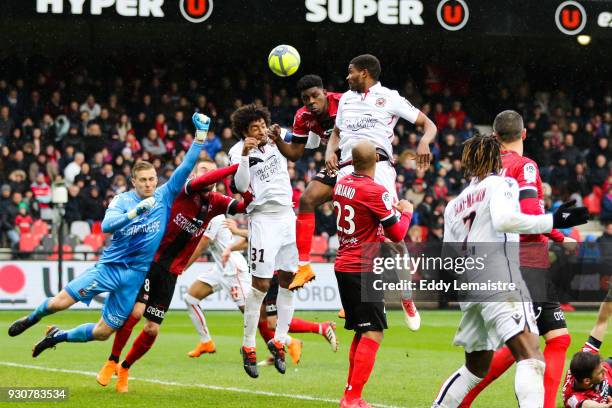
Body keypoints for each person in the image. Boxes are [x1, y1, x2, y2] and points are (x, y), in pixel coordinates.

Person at [7, 113, 210, 357]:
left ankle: (56, 337)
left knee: (104, 332)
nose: (148, 184)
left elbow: (186, 166)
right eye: (143, 180)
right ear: (133, 181)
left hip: (134, 276)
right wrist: (134, 213)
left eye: (152, 179)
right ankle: (31, 318)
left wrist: (199, 137)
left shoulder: (164, 195)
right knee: (58, 303)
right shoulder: (122, 200)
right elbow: (107, 226)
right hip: (110, 267)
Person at [433, 134, 588, 408]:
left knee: (474, 369)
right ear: (495, 159)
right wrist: (553, 220)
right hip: (501, 279)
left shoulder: (454, 205)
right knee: (531, 357)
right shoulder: (501, 183)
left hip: (471, 288)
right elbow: (506, 220)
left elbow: (448, 257)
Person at [94, 159, 245, 392]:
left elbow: (245, 206)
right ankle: (112, 360)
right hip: (149, 260)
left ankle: (124, 367)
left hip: (171, 272)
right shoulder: (186, 188)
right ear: (196, 174)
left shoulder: (217, 203)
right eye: (205, 170)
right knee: (135, 312)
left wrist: (249, 177)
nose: (209, 175)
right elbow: (203, 180)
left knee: (152, 328)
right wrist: (235, 166)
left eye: (213, 172)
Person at [460, 110, 575, 408]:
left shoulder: (486, 170)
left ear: (496, 137)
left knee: (557, 338)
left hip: (498, 260)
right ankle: (461, 399)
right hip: (526, 262)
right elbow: (529, 212)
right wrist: (562, 237)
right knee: (522, 346)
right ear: (524, 134)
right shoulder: (525, 167)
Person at [325, 54, 438, 330]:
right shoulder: (346, 100)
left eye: (351, 72)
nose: (347, 76)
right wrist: (330, 150)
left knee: (394, 237)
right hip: (346, 170)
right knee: (351, 235)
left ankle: (406, 296)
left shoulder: (390, 97)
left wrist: (424, 142)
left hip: (379, 169)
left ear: (364, 73)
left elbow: (429, 125)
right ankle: (357, 292)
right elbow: (337, 133)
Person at [333, 140, 413, 408]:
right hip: (362, 268)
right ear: (376, 162)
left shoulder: (341, 185)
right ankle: (353, 397)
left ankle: (350, 392)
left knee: (361, 331)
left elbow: (365, 223)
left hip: (344, 263)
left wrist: (377, 232)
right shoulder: (374, 190)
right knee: (373, 333)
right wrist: (407, 213)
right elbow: (398, 233)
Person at [229, 104, 298, 378]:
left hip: (287, 216)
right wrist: (245, 155)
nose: (259, 130)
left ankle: (280, 340)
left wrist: (285, 134)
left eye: (261, 125)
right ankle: (248, 346)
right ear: (244, 131)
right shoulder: (236, 151)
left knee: (290, 280)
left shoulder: (277, 139)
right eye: (253, 127)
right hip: (262, 219)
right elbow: (242, 186)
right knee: (260, 285)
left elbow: (312, 141)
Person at [267, 74, 342, 290]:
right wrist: (278, 139)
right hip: (336, 164)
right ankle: (304, 266)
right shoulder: (302, 117)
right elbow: (295, 154)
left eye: (314, 96)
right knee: (307, 199)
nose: (310, 102)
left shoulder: (345, 102)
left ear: (325, 93)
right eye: (305, 98)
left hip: (360, 162)